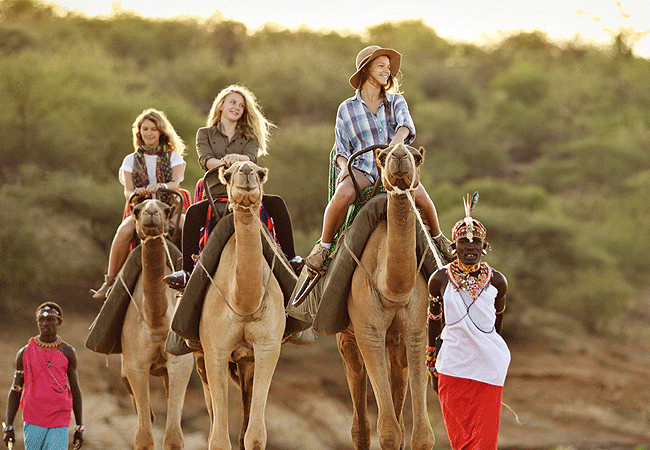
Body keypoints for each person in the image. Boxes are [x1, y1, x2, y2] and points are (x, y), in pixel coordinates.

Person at [304, 45, 452, 274]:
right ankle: (323, 247)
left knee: (422, 198)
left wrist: (395, 145)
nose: (387, 71)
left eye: (388, 67)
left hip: (395, 168)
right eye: (381, 66)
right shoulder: (346, 109)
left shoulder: (396, 102)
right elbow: (342, 150)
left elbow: (406, 127)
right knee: (343, 193)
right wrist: (345, 169)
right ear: (366, 70)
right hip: (363, 168)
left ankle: (439, 239)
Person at [163, 85, 275, 290]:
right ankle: (187, 271)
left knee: (278, 205)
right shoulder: (204, 134)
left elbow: (251, 159)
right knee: (192, 214)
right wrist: (226, 162)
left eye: (241, 105)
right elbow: (205, 161)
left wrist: (237, 158)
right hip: (216, 192)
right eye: (233, 102)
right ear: (221, 105)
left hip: (246, 192)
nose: (237, 107)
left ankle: (287, 261)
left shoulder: (250, 137)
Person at [426, 193, 510, 449]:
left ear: (485, 247)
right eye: (463, 241)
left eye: (476, 242)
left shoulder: (497, 281)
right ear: (454, 247)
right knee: (460, 440)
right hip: (452, 366)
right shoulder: (439, 280)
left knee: (484, 443)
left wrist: (488, 352)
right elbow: (434, 323)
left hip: (487, 369)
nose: (470, 247)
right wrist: (431, 364)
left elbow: (497, 327)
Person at [91, 108, 187, 300]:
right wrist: (138, 192)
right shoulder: (130, 160)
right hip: (141, 208)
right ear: (139, 132)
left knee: (187, 224)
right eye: (145, 129)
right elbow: (127, 191)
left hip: (167, 207)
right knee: (124, 230)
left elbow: (175, 184)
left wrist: (157, 187)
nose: (149, 133)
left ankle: (188, 273)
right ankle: (109, 281)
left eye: (153, 129)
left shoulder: (173, 157)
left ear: (161, 132)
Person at [3, 302, 84, 450]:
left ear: (59, 321)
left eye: (50, 319)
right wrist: (9, 426)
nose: (45, 323)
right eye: (41, 320)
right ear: (37, 322)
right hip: (33, 416)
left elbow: (75, 389)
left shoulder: (68, 352)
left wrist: (79, 426)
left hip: (60, 415)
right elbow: (15, 389)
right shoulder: (24, 353)